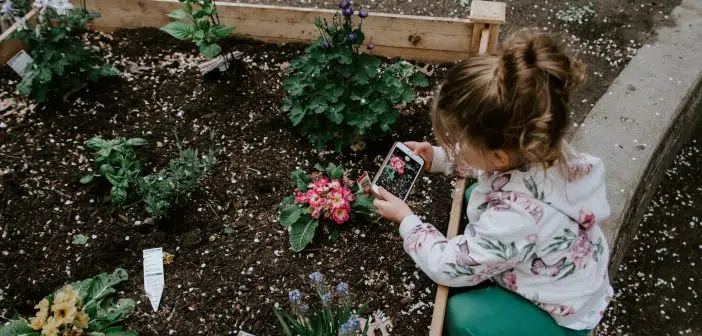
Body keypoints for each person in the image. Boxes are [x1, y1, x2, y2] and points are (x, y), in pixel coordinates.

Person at [373, 29, 613, 336]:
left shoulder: (515, 217)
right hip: (572, 279)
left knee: (464, 318)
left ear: (498, 156)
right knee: (477, 193)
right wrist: (438, 157)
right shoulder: (542, 147)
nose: (455, 142)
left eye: (460, 139)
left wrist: (407, 221)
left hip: (559, 315)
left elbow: (447, 267)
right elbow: (486, 163)